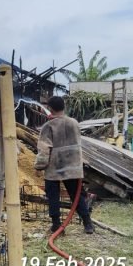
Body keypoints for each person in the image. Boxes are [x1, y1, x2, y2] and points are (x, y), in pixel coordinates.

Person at [34, 96, 94, 234]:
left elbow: (44, 149)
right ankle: (88, 223)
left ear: (49, 108)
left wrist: (39, 166)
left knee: (53, 196)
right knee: (76, 195)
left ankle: (56, 226)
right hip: (73, 165)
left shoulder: (48, 126)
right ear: (63, 107)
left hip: (54, 167)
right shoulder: (74, 122)